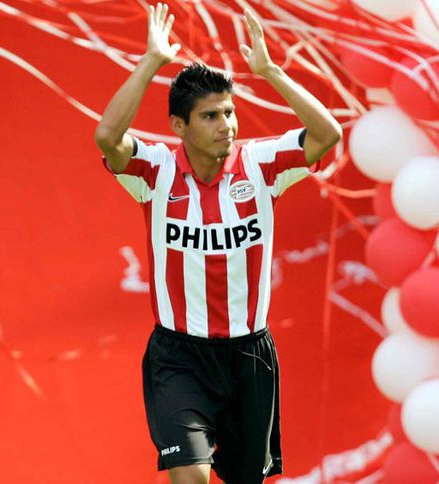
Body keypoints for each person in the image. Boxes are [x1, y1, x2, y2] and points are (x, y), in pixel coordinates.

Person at [94, 4, 341, 483]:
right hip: (179, 357)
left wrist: (270, 71)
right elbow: (107, 137)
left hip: (249, 357)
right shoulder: (156, 171)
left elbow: (327, 134)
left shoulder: (261, 164)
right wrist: (150, 62)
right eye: (210, 116)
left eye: (229, 112)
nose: (226, 124)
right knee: (191, 474)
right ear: (179, 126)